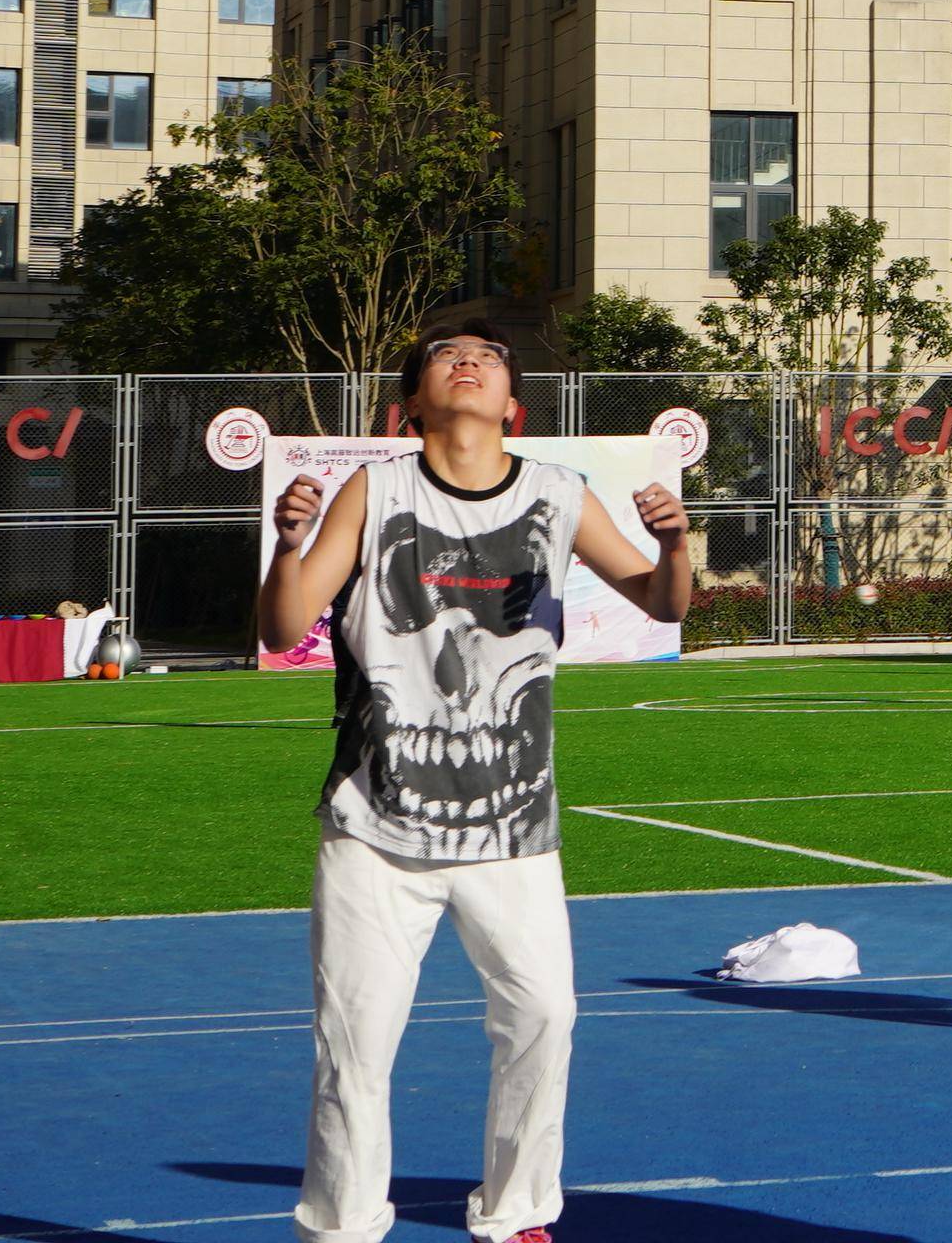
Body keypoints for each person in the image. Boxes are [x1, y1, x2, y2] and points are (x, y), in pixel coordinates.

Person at [257, 327, 693, 1243]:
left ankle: (517, 1214)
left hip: (514, 823)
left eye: (488, 357)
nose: (468, 360)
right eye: (445, 355)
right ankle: (341, 1226)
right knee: (355, 1050)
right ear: (409, 404)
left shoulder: (558, 495)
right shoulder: (374, 490)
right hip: (375, 823)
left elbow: (661, 601)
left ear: (513, 406)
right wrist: (287, 545)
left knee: (544, 1018)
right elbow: (288, 620)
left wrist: (677, 545)